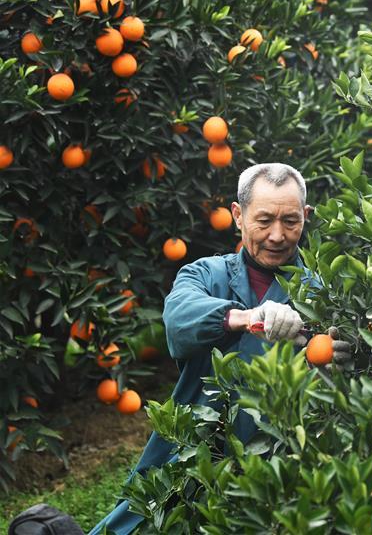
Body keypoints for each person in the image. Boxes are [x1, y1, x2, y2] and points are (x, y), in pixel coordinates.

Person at [88, 163, 351, 535]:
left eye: (291, 221)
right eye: (264, 221)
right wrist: (245, 317)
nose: (277, 235)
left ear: (306, 217)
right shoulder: (205, 275)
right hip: (190, 457)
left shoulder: (325, 294)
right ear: (238, 216)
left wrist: (339, 366)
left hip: (280, 466)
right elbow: (178, 322)